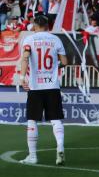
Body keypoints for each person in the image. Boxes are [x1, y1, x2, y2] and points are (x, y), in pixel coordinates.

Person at [18, 14, 68, 165]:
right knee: (55, 119)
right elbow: (65, 62)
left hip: (35, 86)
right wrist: (54, 68)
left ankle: (32, 156)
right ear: (48, 26)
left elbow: (25, 58)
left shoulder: (29, 40)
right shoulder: (56, 39)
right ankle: (60, 146)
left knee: (32, 120)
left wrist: (22, 78)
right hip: (52, 85)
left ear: (34, 25)